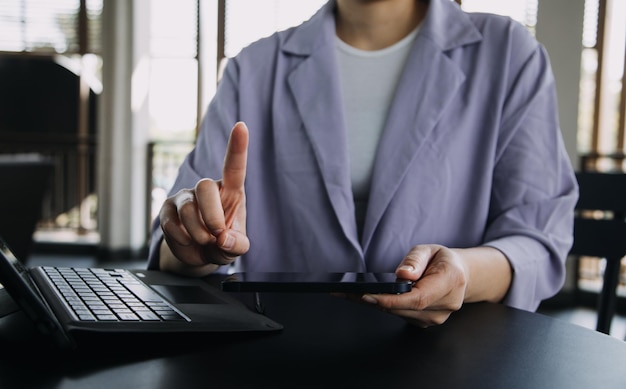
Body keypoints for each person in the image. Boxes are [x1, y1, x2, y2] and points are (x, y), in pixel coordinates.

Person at [147, 0, 579, 327]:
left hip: (455, 354)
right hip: (283, 352)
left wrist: (465, 271)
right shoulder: (253, 69)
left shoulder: (509, 54)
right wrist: (192, 240)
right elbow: (179, 243)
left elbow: (537, 239)